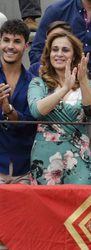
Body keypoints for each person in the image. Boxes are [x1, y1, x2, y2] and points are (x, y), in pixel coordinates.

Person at [29, 0, 91, 156]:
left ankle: (89, 154)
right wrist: (54, 77)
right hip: (58, 74)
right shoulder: (56, 10)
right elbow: (36, 51)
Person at [28, 31, 91, 185]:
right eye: (55, 49)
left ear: (74, 56)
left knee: (80, 206)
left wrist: (83, 81)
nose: (59, 54)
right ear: (49, 54)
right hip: (45, 158)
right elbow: (36, 111)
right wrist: (64, 88)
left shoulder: (89, 84)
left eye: (65, 50)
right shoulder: (38, 83)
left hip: (79, 157)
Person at [0, 19, 36, 185]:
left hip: (23, 170)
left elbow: (31, 123)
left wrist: (9, 110)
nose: (10, 46)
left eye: (17, 41)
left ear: (26, 46)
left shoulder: (34, 83)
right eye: (6, 40)